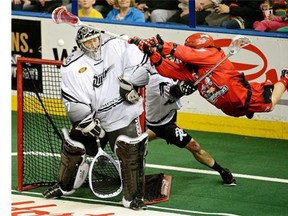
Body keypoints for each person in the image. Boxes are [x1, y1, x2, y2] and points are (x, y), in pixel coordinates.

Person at [42, 26, 151, 210]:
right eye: (88, 42)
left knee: (131, 152)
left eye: (95, 40)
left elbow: (142, 64)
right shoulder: (72, 66)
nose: (93, 44)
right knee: (74, 147)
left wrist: (131, 81)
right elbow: (72, 99)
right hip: (96, 116)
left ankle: (132, 197)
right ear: (80, 45)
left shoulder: (117, 44)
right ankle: (64, 186)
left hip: (122, 112)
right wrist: (86, 121)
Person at [128, 33, 288, 119]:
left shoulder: (214, 54)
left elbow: (187, 54)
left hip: (243, 97)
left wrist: (162, 45)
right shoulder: (192, 71)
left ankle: (285, 78)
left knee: (271, 103)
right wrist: (152, 54)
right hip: (228, 108)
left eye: (193, 48)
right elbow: (168, 69)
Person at [128, 65, 236, 186]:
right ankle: (222, 171)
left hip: (165, 117)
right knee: (194, 146)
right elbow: (174, 91)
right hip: (162, 125)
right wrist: (186, 86)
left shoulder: (165, 69)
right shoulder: (156, 82)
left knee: (137, 141)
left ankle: (129, 147)